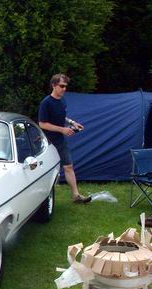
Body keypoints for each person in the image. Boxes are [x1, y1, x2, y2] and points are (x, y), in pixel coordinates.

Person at [38, 73, 91, 204]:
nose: (64, 89)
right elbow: (42, 123)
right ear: (53, 85)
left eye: (65, 86)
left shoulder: (62, 101)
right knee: (44, 169)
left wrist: (72, 123)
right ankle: (39, 198)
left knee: (68, 166)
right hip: (47, 142)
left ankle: (76, 195)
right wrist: (63, 129)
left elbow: (62, 117)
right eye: (61, 86)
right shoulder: (46, 103)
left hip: (60, 140)